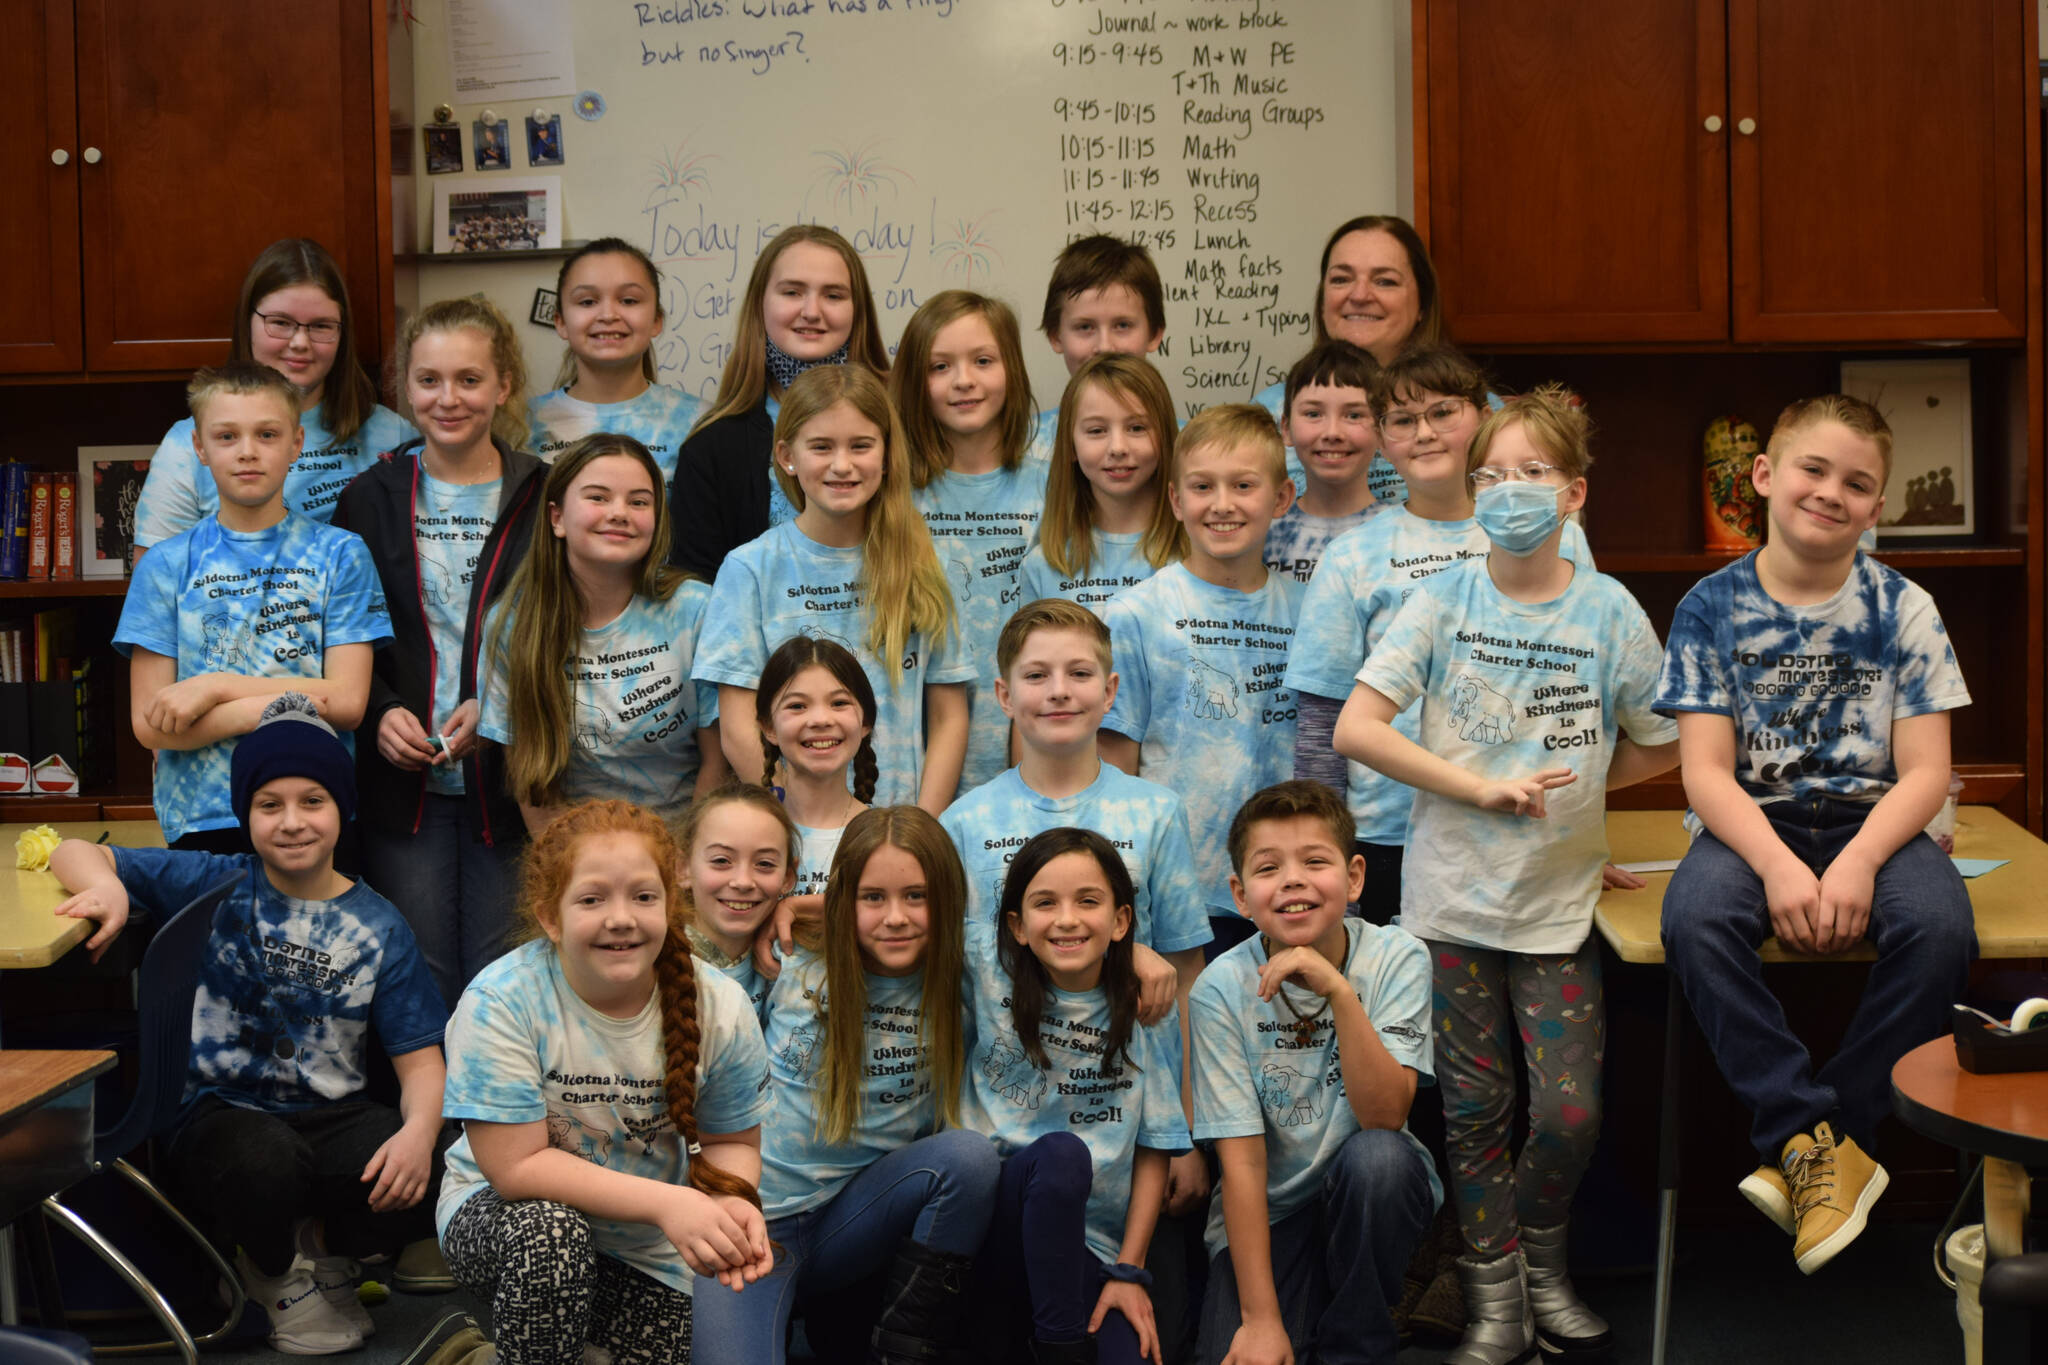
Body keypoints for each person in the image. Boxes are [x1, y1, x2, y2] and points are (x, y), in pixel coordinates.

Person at [1335, 389, 1678, 1362]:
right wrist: (1477, 788)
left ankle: (1537, 1269)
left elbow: (1658, 743)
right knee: (1477, 1111)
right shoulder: (1440, 600)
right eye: (1490, 475)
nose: (1507, 492)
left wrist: (1576, 803)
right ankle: (1494, 1303)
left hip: (1558, 905)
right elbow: (1355, 727)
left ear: (1572, 494)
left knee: (1569, 1112)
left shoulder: (1605, 608)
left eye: (1530, 474)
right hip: (1451, 900)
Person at [1654, 394, 1975, 1275]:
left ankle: (1824, 1142)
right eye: (1813, 468)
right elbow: (1705, 773)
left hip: (1880, 822)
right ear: (1765, 476)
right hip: (1751, 822)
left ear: (1878, 507)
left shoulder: (1904, 606)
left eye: (1858, 482)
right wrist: (1780, 865)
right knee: (1693, 922)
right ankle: (1808, 1137)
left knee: (1942, 929)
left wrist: (1864, 856)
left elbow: (1923, 772)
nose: (1831, 492)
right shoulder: (1708, 606)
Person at [52, 695, 447, 1356]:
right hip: (218, 1121)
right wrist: (113, 887)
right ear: (246, 814)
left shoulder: (381, 924)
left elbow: (423, 1063)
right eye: (270, 804)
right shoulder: (215, 879)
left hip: (329, 1117)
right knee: (261, 1160)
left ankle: (317, 1250)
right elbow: (70, 849)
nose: (292, 822)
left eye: (312, 800)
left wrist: (419, 1133)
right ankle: (270, 1271)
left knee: (442, 1149)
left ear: (343, 809)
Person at [436, 799, 774, 1364]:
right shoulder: (500, 1001)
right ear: (550, 916)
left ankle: (493, 1355)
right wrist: (671, 1204)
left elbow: (731, 1142)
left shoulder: (721, 1004)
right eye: (592, 899)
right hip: (505, 1215)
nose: (622, 917)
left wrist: (729, 1201)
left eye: (644, 896)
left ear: (671, 905)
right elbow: (517, 1168)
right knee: (552, 1239)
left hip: (645, 1241)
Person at [1286, 348, 1591, 923]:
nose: (1423, 433)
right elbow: (1324, 722)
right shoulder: (1353, 556)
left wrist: (1585, 839)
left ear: (1483, 417)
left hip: (1526, 827)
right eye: (1402, 421)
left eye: (1443, 413)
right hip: (1389, 833)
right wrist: (1321, 851)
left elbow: (1578, 697)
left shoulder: (1558, 535)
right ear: (1382, 439)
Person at [690, 806, 1002, 1365]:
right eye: (873, 897)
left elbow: (1056, 949)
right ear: (844, 900)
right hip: (755, 1223)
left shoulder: (969, 968)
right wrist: (792, 908)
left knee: (969, 1159)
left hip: (860, 1220)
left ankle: (904, 1352)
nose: (896, 917)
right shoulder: (793, 953)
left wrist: (1141, 958)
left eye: (917, 896)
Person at [332, 295, 542, 1006]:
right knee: (419, 975)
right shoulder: (369, 497)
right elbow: (347, 629)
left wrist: (502, 706)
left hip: (514, 780)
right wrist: (378, 709)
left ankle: (496, 1121)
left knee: (502, 976)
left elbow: (570, 625)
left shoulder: (545, 494)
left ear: (504, 385)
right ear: (405, 388)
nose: (448, 399)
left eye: (469, 379)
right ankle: (427, 1119)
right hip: (404, 784)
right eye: (428, 380)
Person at [1188, 780, 1439, 1365]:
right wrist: (1260, 1320)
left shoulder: (1398, 956)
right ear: (1241, 895)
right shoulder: (1220, 989)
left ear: (1354, 878)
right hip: (1269, 1210)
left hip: (1365, 1190)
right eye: (1269, 867)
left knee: (1379, 1158)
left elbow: (1385, 1115)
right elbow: (1243, 1162)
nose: (1294, 880)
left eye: (1315, 862)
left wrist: (1339, 992)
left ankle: (1360, 1341)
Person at [115, 365, 387, 851]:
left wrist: (213, 687)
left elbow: (345, 704)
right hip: (202, 815)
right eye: (226, 436)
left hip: (313, 811)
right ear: (199, 447)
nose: (247, 451)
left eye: (267, 434)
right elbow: (149, 723)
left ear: (296, 443)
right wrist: (279, 706)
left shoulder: (341, 554)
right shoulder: (165, 565)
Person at [694, 364, 970, 814]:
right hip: (796, 830)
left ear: (885, 454)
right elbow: (738, 726)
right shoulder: (749, 569)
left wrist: (922, 828)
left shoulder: (926, 562)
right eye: (821, 447)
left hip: (902, 830)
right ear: (787, 455)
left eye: (861, 445)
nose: (842, 465)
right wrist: (798, 820)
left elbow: (948, 716)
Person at [961, 828, 1192, 1364]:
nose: (1067, 919)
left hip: (1091, 1246)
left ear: (1121, 921)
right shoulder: (986, 961)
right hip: (995, 1227)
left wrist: (1129, 1271)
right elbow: (892, 918)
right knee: (1063, 1154)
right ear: (1016, 926)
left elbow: (1154, 1147)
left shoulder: (1147, 1006)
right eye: (1045, 903)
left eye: (1088, 901)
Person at [1098, 405, 1300, 937]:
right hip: (1177, 887)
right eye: (1203, 486)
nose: (1223, 504)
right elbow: (1115, 768)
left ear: (1281, 498)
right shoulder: (1135, 615)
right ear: (1176, 499)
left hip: (1291, 887)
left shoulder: (1312, 612)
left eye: (1243, 485)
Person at [479, 434, 727, 834]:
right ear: (556, 518)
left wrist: (687, 863)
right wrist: (574, 876)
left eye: (639, 502)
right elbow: (532, 782)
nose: (619, 513)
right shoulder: (512, 623)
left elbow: (719, 763)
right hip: (576, 858)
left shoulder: (695, 608)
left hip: (686, 847)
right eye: (598, 497)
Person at [133, 239, 415, 551]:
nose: (299, 343)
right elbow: (155, 585)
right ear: (247, 323)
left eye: (321, 326)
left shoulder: (393, 435)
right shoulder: (187, 445)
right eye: (280, 322)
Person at [667, 225, 890, 579]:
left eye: (833, 295)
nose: (812, 311)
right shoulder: (711, 447)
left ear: (857, 311)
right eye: (792, 292)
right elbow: (695, 586)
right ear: (761, 303)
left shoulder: (900, 423)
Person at [893, 291, 1046, 790]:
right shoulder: (893, 498)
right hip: (914, 765)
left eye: (983, 360)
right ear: (916, 382)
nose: (964, 381)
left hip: (1032, 750)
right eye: (940, 366)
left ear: (1013, 370)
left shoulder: (1053, 490)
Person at [1254, 216, 1450, 509]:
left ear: (1422, 303)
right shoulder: (1267, 414)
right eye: (1341, 279)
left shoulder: (1463, 411)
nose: (1359, 295)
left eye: (1385, 281)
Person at [528, 238, 704, 482]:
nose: (608, 315)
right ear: (561, 322)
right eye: (587, 302)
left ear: (656, 320)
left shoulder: (700, 423)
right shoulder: (524, 424)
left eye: (629, 301)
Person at [1018, 355, 1186, 611]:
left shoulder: (1199, 554)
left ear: (1165, 436)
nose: (1118, 447)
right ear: (1071, 446)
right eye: (1096, 431)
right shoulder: (1043, 567)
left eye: (1137, 428)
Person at [753, 633, 878, 900]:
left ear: (865, 722)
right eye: (797, 706)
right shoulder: (745, 832)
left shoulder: (884, 838)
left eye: (839, 703)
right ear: (768, 727)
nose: (820, 719)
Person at [1031, 235, 1169, 457]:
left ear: (1154, 334)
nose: (1104, 347)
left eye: (1122, 325)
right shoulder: (1022, 448)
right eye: (1085, 327)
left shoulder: (1192, 446)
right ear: (1056, 336)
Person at [675, 782, 802, 1021]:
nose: (743, 882)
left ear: (787, 877)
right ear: (683, 868)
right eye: (722, 860)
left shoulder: (792, 961)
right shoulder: (650, 963)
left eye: (764, 864)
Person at [1261, 340, 1384, 586]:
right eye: (1313, 414)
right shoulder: (1260, 534)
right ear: (1286, 429)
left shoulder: (1401, 534)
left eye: (1354, 415)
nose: (1332, 433)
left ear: (1382, 429)